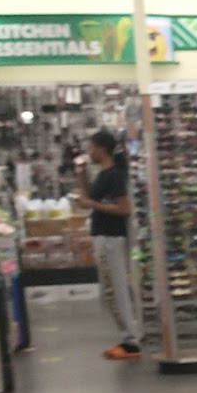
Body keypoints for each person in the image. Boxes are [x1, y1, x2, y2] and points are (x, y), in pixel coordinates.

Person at [76, 128, 140, 360]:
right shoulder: (103, 174)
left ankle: (131, 342)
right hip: (103, 236)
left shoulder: (114, 175)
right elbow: (88, 199)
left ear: (101, 149)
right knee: (111, 290)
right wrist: (81, 176)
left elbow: (124, 209)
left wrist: (93, 205)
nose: (89, 152)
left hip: (111, 237)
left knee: (117, 289)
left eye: (91, 147)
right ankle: (126, 337)